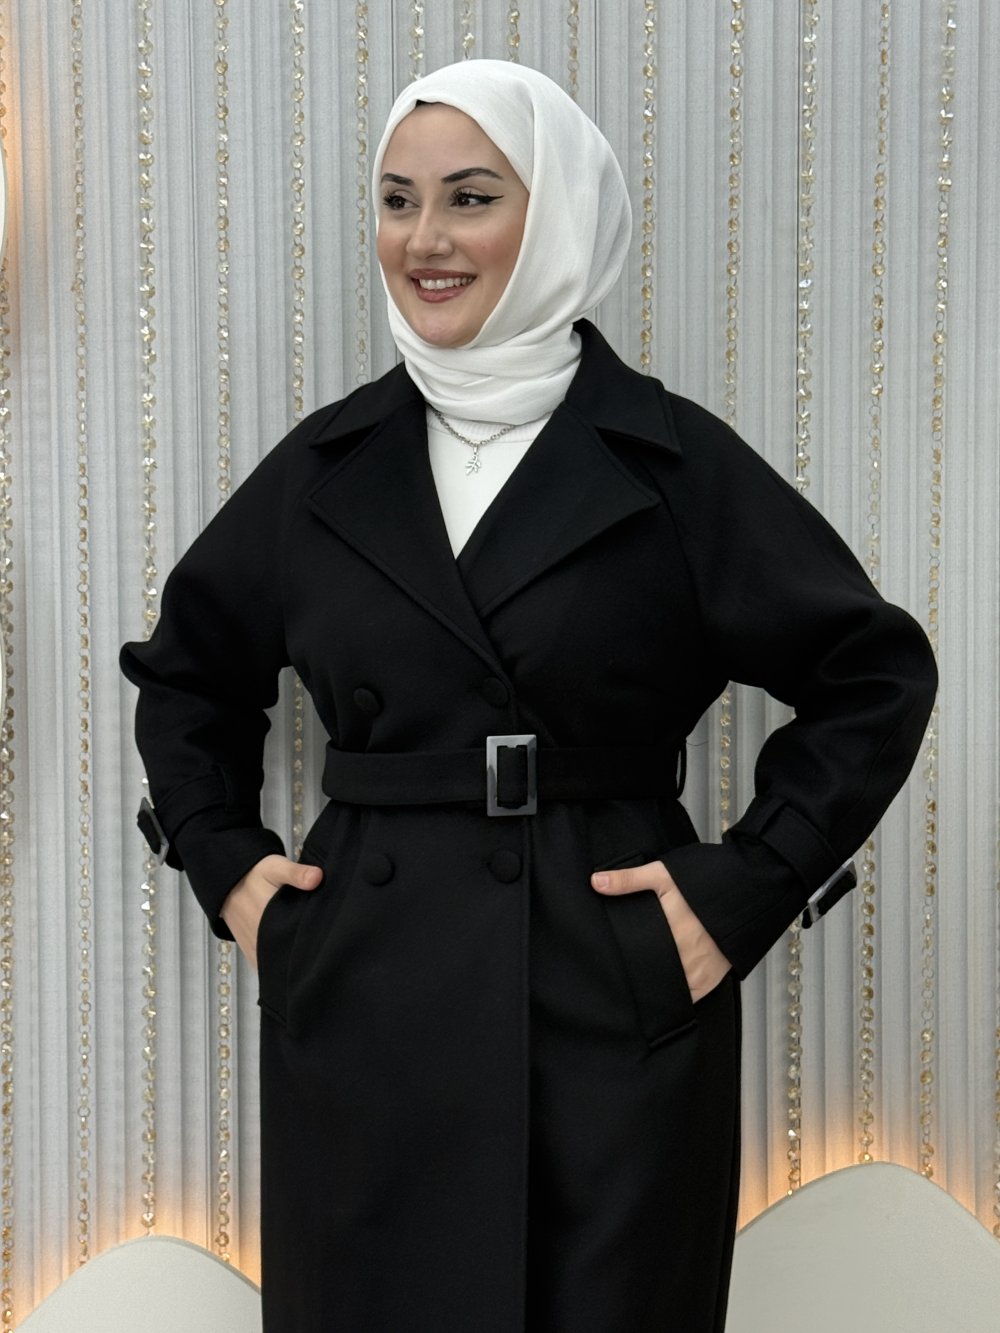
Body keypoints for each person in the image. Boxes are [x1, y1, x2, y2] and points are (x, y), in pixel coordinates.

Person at [120, 60, 937, 1333]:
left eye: (471, 197)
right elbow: (184, 676)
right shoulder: (326, 466)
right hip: (367, 986)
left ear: (554, 215)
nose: (424, 240)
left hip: (607, 985)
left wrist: (746, 887)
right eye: (398, 200)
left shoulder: (668, 463)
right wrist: (230, 869)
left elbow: (871, 673)